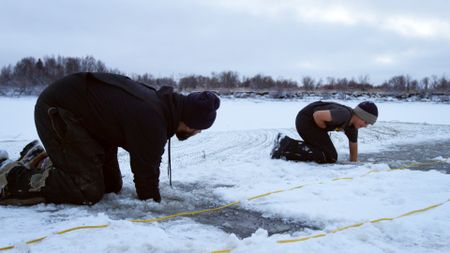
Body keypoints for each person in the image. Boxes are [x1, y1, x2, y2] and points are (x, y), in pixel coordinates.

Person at [0, 72, 220, 205]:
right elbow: (146, 179)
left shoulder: (160, 108)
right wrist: (154, 209)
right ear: (190, 124)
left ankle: (40, 156)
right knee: (86, 190)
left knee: (111, 186)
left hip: (87, 124)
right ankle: (11, 176)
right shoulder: (153, 120)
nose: (197, 133)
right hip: (58, 111)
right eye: (199, 129)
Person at [271, 100, 378, 164]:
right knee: (329, 156)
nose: (365, 126)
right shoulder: (344, 114)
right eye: (366, 122)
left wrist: (354, 162)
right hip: (306, 119)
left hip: (310, 122)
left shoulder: (352, 126)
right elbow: (317, 115)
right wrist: (322, 130)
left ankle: (286, 144)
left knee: (328, 154)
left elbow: (353, 144)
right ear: (360, 115)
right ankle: (286, 146)